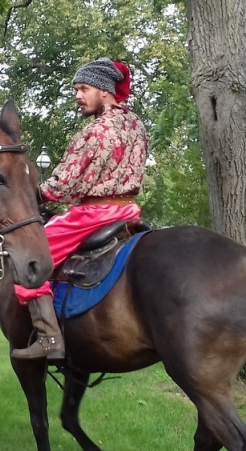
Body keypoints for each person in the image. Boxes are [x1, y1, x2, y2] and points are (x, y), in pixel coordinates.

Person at [12, 58, 148, 361]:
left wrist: (34, 195)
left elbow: (62, 184)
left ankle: (49, 338)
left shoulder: (94, 132)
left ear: (104, 90)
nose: (78, 95)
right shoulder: (137, 126)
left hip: (94, 215)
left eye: (84, 88)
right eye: (76, 89)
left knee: (28, 259)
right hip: (128, 212)